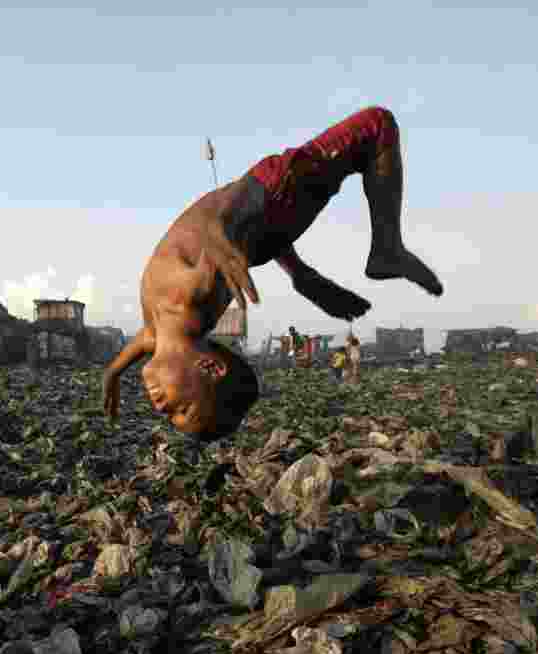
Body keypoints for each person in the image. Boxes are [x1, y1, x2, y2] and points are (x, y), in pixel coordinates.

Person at [102, 106, 443, 443]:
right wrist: (222, 239)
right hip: (275, 191)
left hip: (263, 223)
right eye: (183, 410)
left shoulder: (156, 334)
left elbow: (220, 228)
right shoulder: (189, 299)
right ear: (209, 368)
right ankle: (386, 248)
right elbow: (218, 223)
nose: (163, 410)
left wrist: (112, 377)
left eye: (175, 416)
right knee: (376, 125)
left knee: (241, 230)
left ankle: (319, 269)